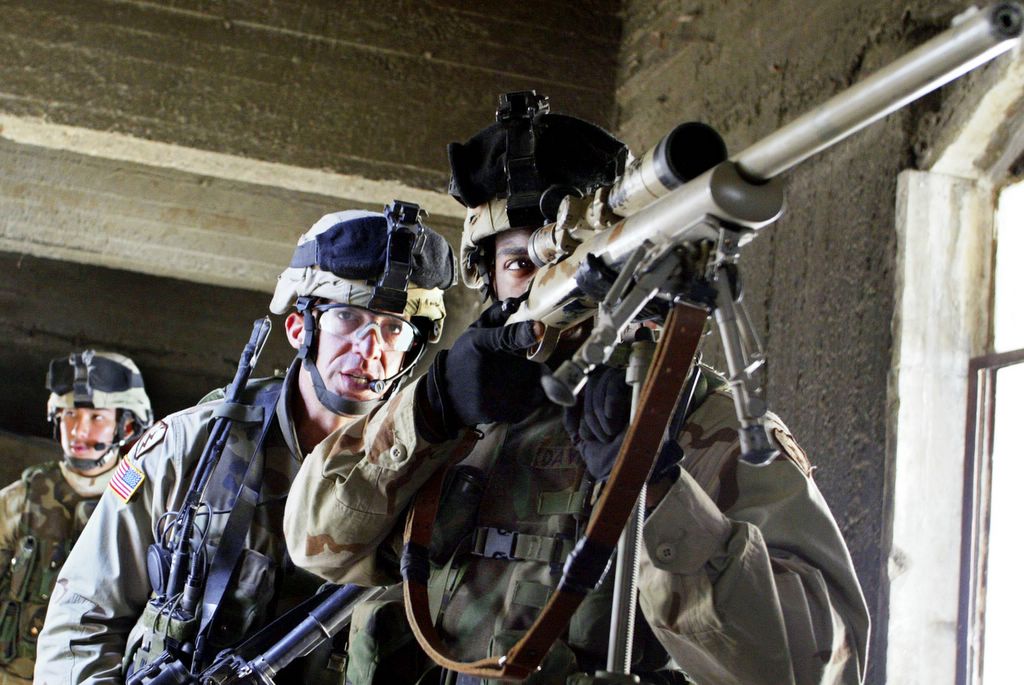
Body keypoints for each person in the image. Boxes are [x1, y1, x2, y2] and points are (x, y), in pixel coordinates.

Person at [283, 94, 871, 685]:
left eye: (574, 260)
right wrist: (432, 409)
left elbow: (816, 666)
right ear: (487, 278)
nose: (550, 283)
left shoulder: (703, 420)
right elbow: (314, 545)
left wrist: (657, 488)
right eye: (521, 262)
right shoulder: (457, 411)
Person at [33, 203, 456, 684]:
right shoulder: (191, 446)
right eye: (346, 318)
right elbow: (82, 617)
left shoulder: (426, 474)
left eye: (393, 328)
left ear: (411, 349)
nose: (369, 349)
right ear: (299, 329)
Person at [0, 351, 151, 684]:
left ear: (127, 424)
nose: (79, 430)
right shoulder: (24, 496)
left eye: (97, 416)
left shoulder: (142, 497)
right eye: (69, 414)